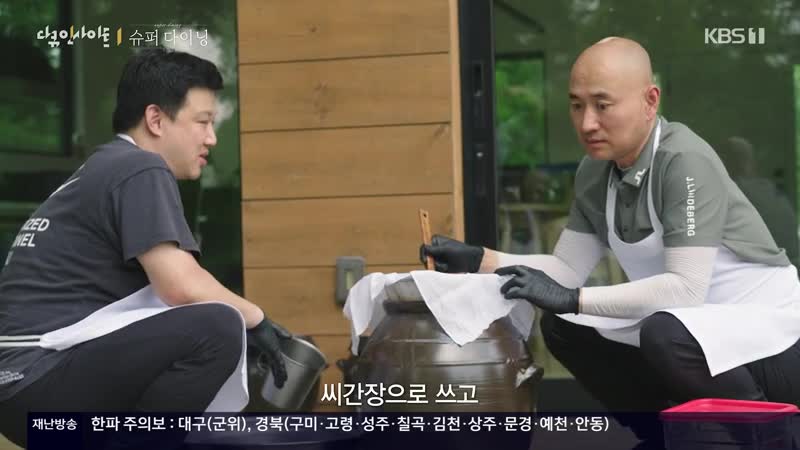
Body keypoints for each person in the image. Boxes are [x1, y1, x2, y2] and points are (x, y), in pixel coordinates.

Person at [422, 37, 800, 447]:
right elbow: (566, 270)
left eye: (602, 105)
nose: (587, 123)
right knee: (564, 327)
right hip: (689, 329)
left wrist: (573, 298)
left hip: (771, 339)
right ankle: (656, 436)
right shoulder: (595, 172)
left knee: (661, 331)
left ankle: (772, 438)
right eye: (576, 105)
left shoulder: (683, 161)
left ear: (650, 101)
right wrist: (479, 259)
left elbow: (685, 289)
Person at [0, 48, 287, 448]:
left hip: (24, 384)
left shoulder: (105, 166)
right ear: (155, 119)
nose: (211, 137)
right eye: (202, 121)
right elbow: (180, 285)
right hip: (40, 375)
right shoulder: (139, 166)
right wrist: (257, 320)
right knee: (217, 327)